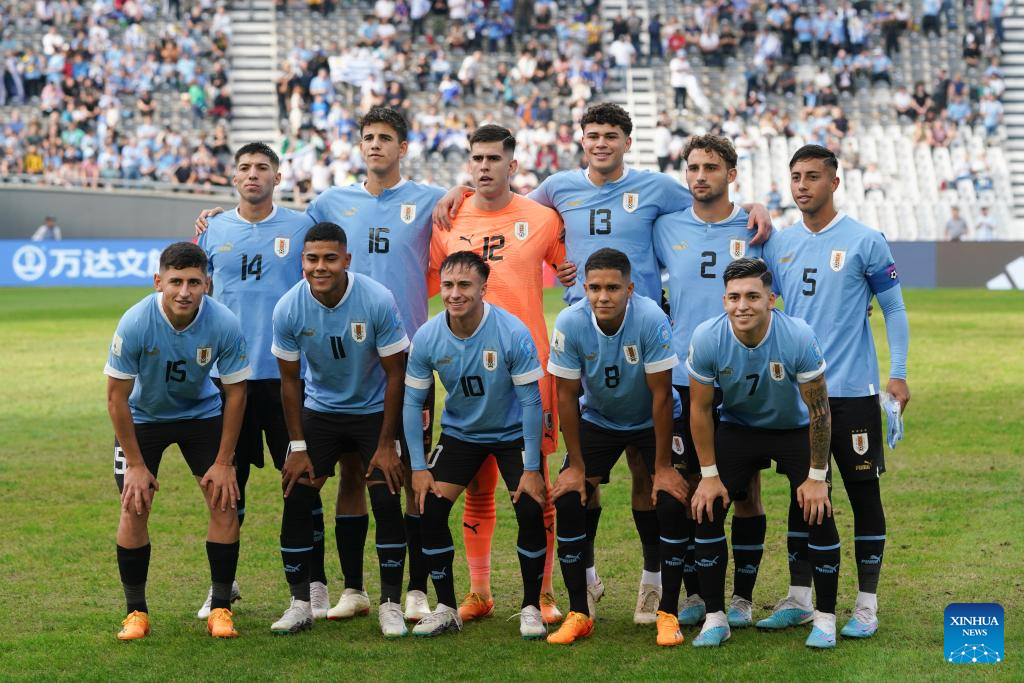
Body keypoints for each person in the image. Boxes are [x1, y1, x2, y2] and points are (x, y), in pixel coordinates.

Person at [433, 102, 772, 625]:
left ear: (627, 142)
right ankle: (583, 580)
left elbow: (711, 202)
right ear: (581, 140)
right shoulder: (557, 188)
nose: (601, 143)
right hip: (579, 339)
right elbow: (507, 200)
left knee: (648, 469)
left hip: (644, 334)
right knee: (580, 472)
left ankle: (653, 584)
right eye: (592, 135)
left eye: (611, 135)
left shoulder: (657, 188)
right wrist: (458, 192)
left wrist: (753, 204)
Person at [194, 107, 444, 623]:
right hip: (321, 373)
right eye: (368, 137)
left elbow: (483, 219)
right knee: (309, 479)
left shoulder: (434, 200)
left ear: (403, 146)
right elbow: (275, 239)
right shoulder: (328, 204)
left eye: (385, 138)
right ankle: (317, 589)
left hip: (404, 365)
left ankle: (412, 591)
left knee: (405, 475)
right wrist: (212, 220)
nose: (375, 146)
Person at [761, 144, 910, 640]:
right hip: (796, 395)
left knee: (863, 492)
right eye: (795, 177)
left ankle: (866, 605)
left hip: (852, 392)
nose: (802, 185)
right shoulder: (780, 243)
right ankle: (799, 598)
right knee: (801, 491)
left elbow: (894, 310)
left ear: (834, 183)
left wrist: (899, 373)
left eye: (812, 177)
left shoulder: (866, 241)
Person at [428, 124, 567, 625]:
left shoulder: (543, 219)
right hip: (468, 374)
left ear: (513, 164)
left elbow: (570, 270)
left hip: (530, 373)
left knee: (534, 484)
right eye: (476, 158)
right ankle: (480, 592)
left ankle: (545, 595)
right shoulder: (448, 218)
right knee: (478, 486)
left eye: (494, 158)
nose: (484, 166)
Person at [687, 257, 840, 649]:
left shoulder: (797, 335)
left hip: (793, 430)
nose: (743, 306)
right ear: (723, 300)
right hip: (739, 428)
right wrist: (707, 474)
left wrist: (817, 477)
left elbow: (819, 410)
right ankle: (716, 616)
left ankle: (823, 617)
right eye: (734, 297)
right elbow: (701, 410)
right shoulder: (707, 337)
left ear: (772, 299)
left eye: (753, 296)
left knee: (818, 508)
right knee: (707, 507)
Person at [269, 222, 411, 637]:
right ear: (302, 262)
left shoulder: (376, 299)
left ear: (347, 260)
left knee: (385, 494)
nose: (320, 266)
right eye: (312, 259)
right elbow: (290, 382)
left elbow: (396, 375)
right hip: (322, 410)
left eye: (330, 258)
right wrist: (297, 446)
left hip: (372, 410)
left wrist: (387, 444)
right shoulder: (289, 308)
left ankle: (389, 603)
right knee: (296, 489)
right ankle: (300, 603)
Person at [105, 242, 251, 641]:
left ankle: (220, 607)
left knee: (224, 499)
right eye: (175, 282)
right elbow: (116, 397)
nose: (184, 291)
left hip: (200, 415)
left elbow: (237, 394)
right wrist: (135, 465)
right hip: (143, 419)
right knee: (134, 505)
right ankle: (136, 613)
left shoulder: (223, 322)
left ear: (207, 283)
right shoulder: (136, 321)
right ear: (159, 283)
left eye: (193, 282)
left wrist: (224, 462)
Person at [196, 141, 318, 619]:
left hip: (289, 377)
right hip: (230, 379)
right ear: (233, 177)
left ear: (277, 176)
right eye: (245, 168)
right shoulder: (213, 230)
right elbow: (199, 294)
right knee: (228, 485)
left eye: (262, 168)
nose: (253, 175)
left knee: (301, 484)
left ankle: (310, 588)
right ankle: (223, 585)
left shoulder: (300, 226)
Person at [546, 248, 689, 647]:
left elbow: (662, 396)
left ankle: (661, 601)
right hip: (599, 420)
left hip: (652, 417)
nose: (602, 296)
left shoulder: (649, 318)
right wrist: (574, 465)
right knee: (572, 496)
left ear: (630, 288)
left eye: (612, 288)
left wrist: (663, 465)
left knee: (668, 497)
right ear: (583, 288)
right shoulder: (571, 322)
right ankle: (580, 607)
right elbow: (566, 396)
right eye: (594, 288)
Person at [651, 134, 767, 630]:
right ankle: (697, 594)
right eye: (694, 168)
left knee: (745, 490)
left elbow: (773, 296)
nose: (701, 176)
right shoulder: (665, 226)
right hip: (682, 377)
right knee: (688, 486)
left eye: (712, 167)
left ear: (731, 174)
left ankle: (741, 596)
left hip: (742, 379)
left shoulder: (757, 227)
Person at [403, 251, 549, 639]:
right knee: (429, 510)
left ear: (484, 288)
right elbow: (411, 403)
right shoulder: (429, 336)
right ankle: (447, 608)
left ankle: (532, 606)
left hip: (512, 433)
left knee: (531, 509)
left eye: (464, 285)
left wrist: (531, 468)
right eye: (448, 285)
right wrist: (418, 467)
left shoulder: (511, 331)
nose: (454, 293)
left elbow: (533, 403)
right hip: (461, 434)